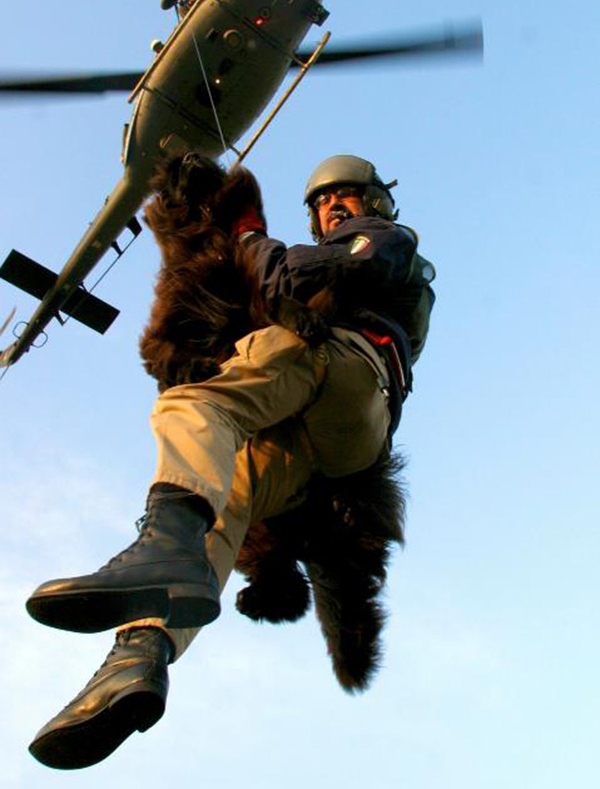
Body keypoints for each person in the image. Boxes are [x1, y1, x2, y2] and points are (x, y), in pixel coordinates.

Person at [25, 154, 435, 769]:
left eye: (345, 196)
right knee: (225, 503)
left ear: (375, 203)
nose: (332, 208)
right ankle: (138, 658)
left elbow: (289, 279)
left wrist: (246, 234)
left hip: (348, 369)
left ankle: (163, 544)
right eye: (323, 203)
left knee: (196, 404)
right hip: (321, 449)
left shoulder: (386, 242)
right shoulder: (338, 249)